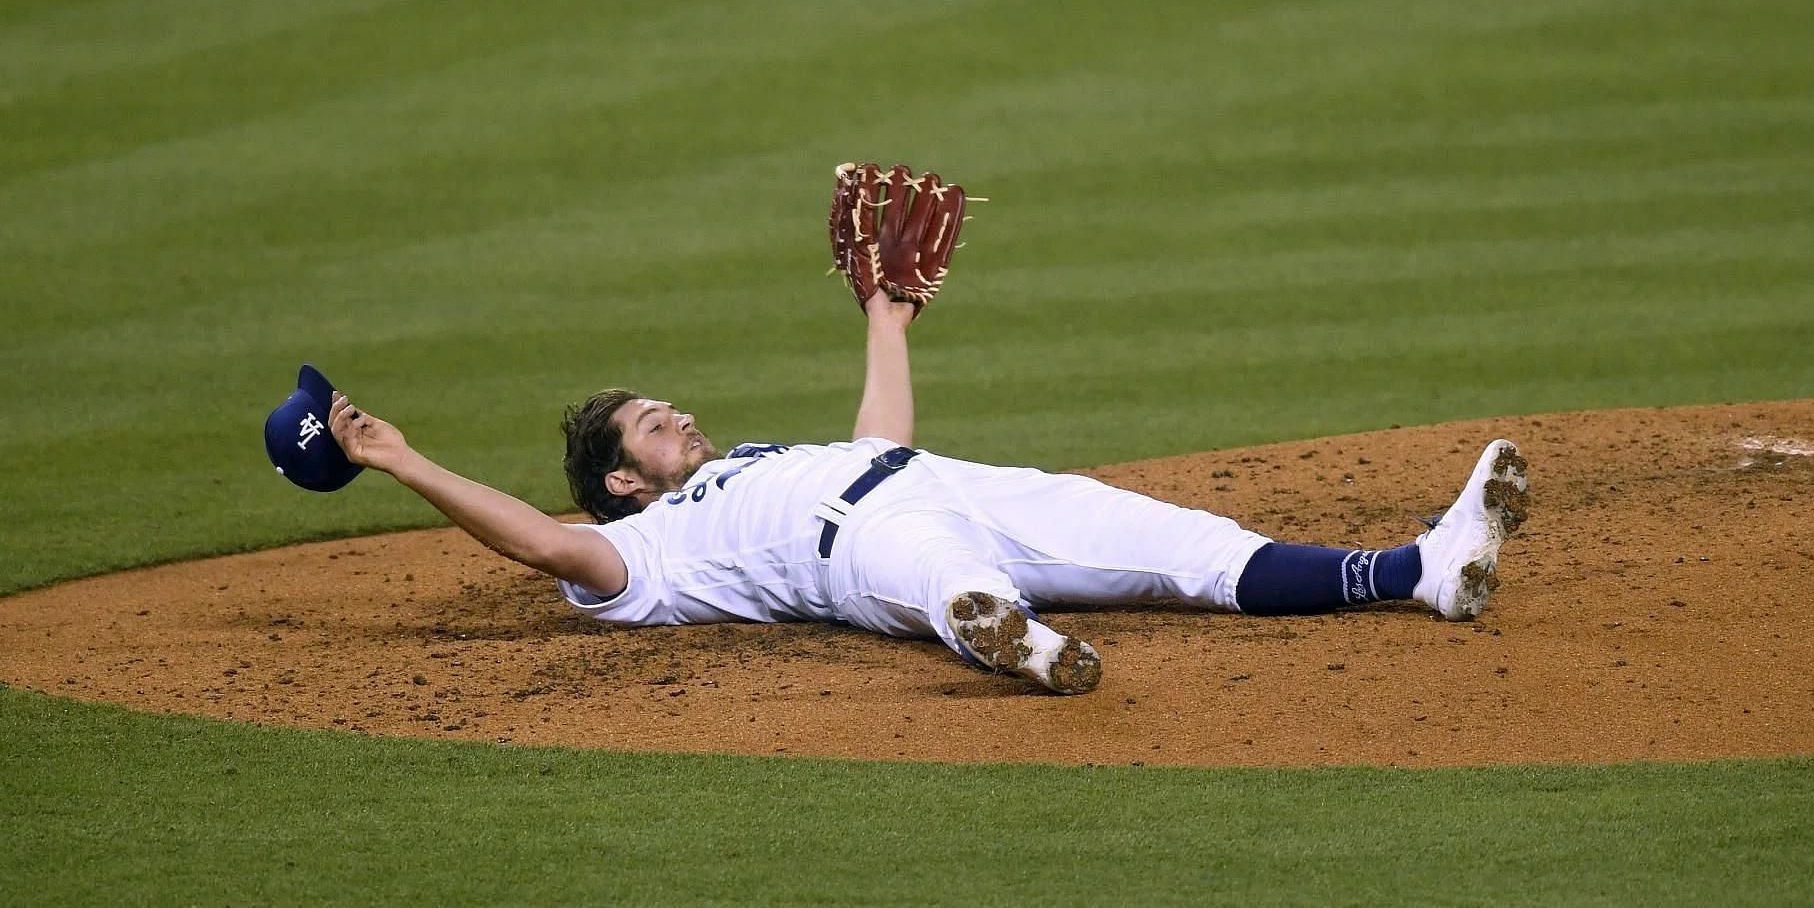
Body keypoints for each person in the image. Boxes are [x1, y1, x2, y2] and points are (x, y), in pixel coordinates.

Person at [325, 293, 1529, 694]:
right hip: (863, 554)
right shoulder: (649, 555)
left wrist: (884, 319)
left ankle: (1417, 570)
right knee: (933, 579)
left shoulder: (750, 462)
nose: (679, 412)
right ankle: (1010, 636)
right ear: (622, 479)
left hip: (952, 483)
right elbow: (543, 545)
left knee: (1190, 543)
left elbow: (878, 438)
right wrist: (403, 458)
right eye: (653, 420)